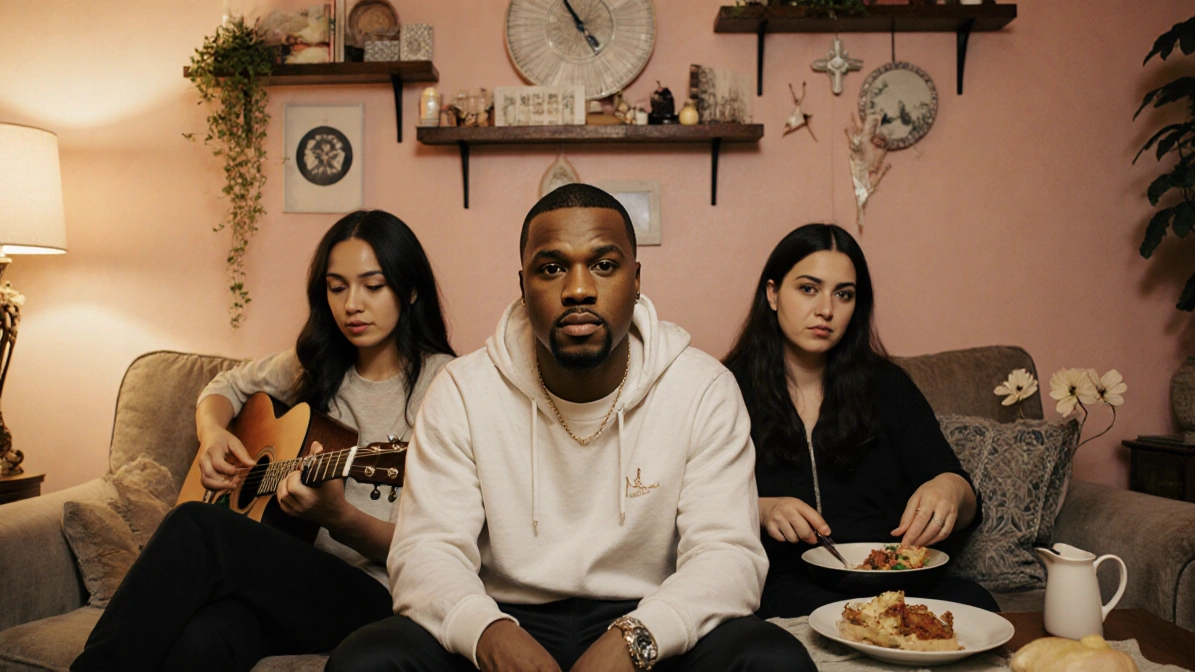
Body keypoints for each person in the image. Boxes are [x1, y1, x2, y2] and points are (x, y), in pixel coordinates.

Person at [327, 184, 814, 672]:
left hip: (650, 616)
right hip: (502, 615)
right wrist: (489, 636)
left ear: (637, 278)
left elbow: (727, 556)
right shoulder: (462, 391)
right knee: (366, 661)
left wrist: (637, 639)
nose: (578, 289)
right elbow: (426, 552)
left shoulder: (702, 387)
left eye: (603, 265)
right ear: (522, 285)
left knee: (772, 659)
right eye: (552, 267)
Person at [72, 210, 456, 671]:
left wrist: (339, 517)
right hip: (281, 581)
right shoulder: (315, 362)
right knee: (200, 640)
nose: (352, 304)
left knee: (197, 525)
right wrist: (213, 434)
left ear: (410, 289)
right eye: (337, 287)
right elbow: (224, 387)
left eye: (373, 286)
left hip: (376, 596)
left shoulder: (447, 386)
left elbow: (439, 546)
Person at [722, 223, 998, 618]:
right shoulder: (724, 389)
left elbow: (961, 492)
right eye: (807, 288)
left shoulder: (888, 386)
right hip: (784, 580)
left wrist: (950, 490)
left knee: (978, 606)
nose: (826, 310)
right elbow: (688, 507)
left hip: (891, 578)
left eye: (844, 294)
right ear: (772, 293)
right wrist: (761, 508)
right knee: (828, 617)